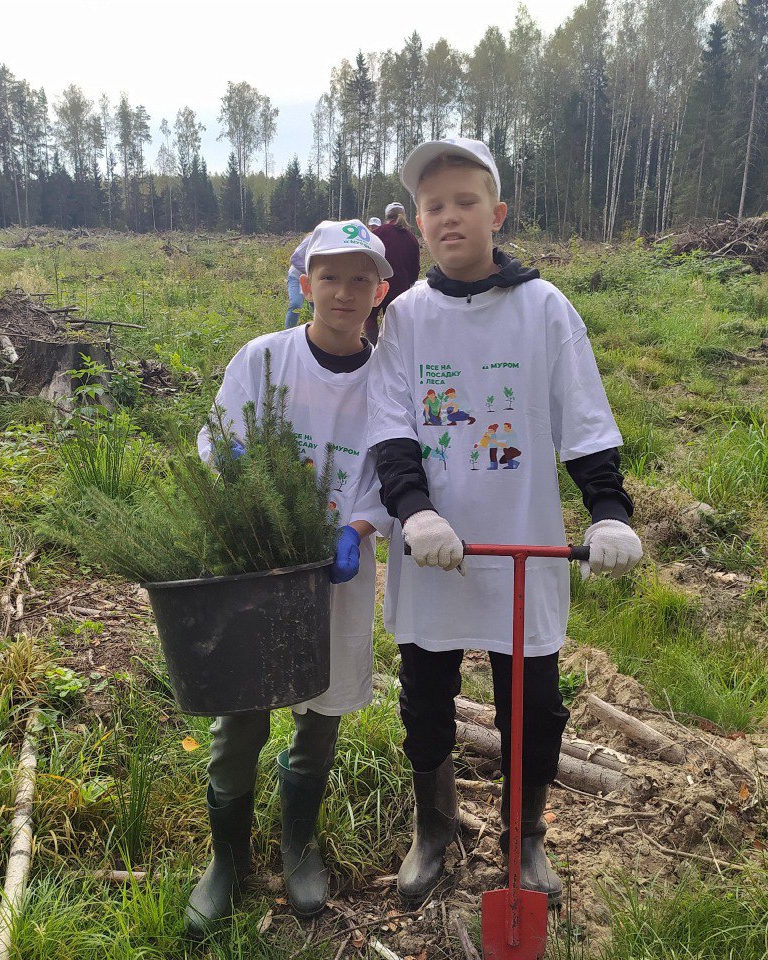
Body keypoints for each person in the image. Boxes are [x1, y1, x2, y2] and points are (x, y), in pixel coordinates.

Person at [366, 138, 643, 907]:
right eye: (433, 206)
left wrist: (610, 512)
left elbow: (584, 420)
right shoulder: (407, 319)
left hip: (524, 541)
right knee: (425, 693)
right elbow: (391, 427)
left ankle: (524, 840)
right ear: (417, 221)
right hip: (434, 551)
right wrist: (415, 511)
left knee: (534, 702)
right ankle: (435, 826)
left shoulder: (545, 309)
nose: (448, 217)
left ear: (497, 212)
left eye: (464, 201)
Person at [190, 219, 394, 935]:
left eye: (360, 279)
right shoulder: (264, 359)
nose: (344, 292)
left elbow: (397, 469)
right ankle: (227, 861)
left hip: (336, 571)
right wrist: (245, 476)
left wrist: (359, 526)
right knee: (241, 710)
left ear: (381, 290)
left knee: (322, 708)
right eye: (329, 277)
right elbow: (217, 437)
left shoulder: (387, 379)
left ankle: (299, 847)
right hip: (256, 563)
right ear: (305, 284)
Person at [367, 201, 422, 345]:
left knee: (370, 317)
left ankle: (373, 348)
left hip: (377, 285)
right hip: (400, 288)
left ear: (386, 216)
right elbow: (415, 270)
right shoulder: (411, 238)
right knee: (394, 323)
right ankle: (391, 350)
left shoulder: (378, 233)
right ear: (403, 215)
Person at [285, 233, 312, 329]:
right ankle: (288, 333)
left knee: (319, 308)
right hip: (296, 277)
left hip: (314, 280)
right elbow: (294, 258)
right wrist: (310, 271)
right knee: (295, 304)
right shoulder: (310, 239)